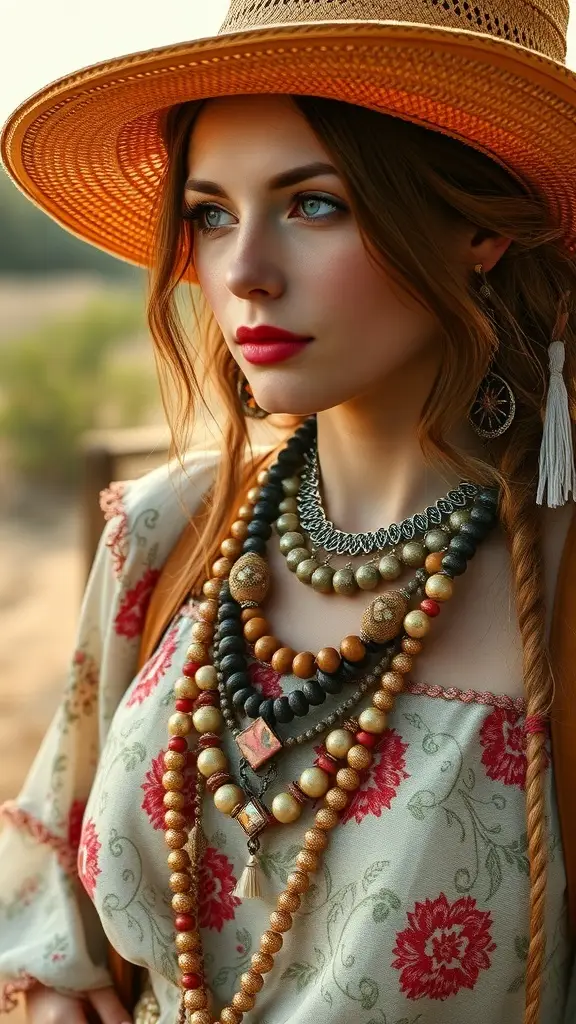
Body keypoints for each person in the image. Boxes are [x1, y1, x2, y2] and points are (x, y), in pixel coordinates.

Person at [2, 1, 576, 1023]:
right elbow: (51, 873)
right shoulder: (170, 528)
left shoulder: (559, 583)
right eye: (212, 212)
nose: (242, 271)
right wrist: (56, 990)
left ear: (482, 224)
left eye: (314, 205)